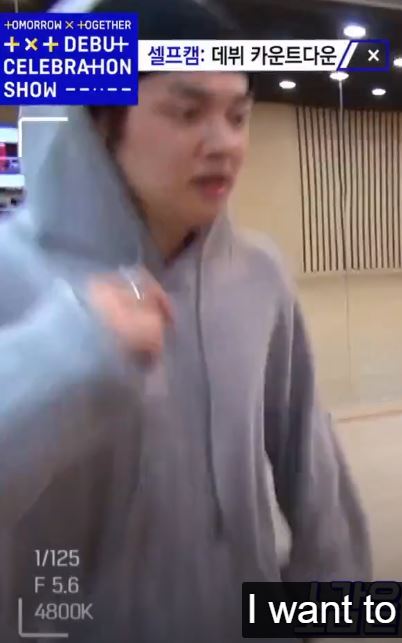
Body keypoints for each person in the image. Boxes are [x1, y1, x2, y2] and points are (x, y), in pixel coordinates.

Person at [0, 0, 371, 640]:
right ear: (97, 120)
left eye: (238, 116)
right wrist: (67, 352)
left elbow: (310, 462)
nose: (224, 143)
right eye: (186, 111)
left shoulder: (258, 275)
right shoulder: (14, 272)